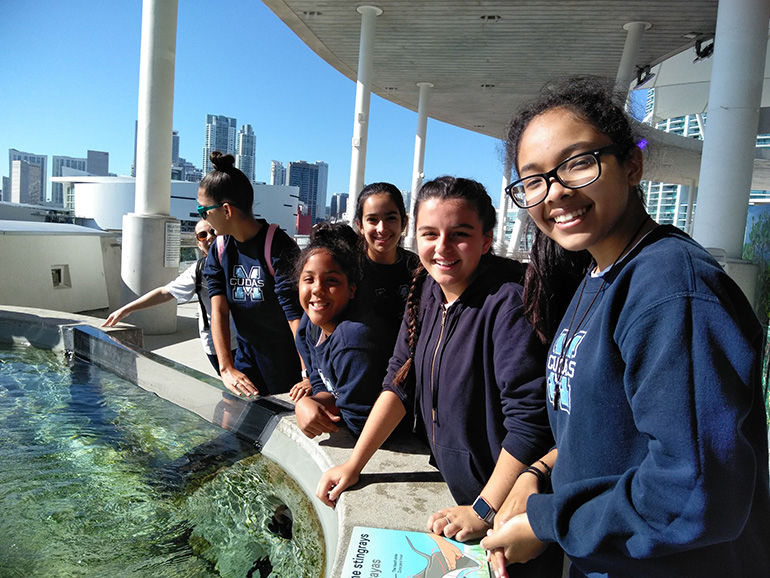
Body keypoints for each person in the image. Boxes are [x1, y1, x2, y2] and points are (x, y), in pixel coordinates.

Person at [481, 76, 770, 577]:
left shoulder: (672, 292)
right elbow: (602, 430)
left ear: (631, 164)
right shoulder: (599, 275)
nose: (555, 193)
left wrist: (548, 521)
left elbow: (695, 492)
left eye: (577, 163)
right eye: (533, 180)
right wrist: (539, 473)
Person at [317, 176, 559, 576]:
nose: (442, 248)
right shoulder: (428, 289)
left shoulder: (508, 303)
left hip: (510, 511)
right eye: (430, 234)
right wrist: (355, 463)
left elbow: (530, 423)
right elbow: (399, 380)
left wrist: (484, 508)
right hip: (458, 486)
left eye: (460, 234)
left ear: (486, 239)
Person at [199, 151, 306, 397]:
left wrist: (307, 373)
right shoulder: (220, 248)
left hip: (286, 358)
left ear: (226, 210)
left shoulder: (277, 245)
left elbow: (295, 315)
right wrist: (226, 368)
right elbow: (219, 310)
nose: (203, 218)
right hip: (246, 355)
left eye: (204, 211)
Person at [292, 222, 393, 438]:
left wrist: (322, 409)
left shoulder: (353, 340)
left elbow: (360, 423)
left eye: (331, 280)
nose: (317, 289)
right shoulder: (311, 325)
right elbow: (318, 375)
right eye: (308, 279)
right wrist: (314, 401)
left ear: (351, 290)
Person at [101, 219, 237, 372]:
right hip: (216, 343)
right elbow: (165, 293)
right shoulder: (198, 270)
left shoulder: (242, 263)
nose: (209, 237)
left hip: (246, 341)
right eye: (202, 235)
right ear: (198, 244)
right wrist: (126, 309)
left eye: (213, 231)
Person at [353, 182, 420, 343]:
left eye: (390, 218)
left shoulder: (417, 267)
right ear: (360, 225)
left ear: (404, 223)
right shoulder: (349, 268)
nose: (382, 228)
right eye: (372, 220)